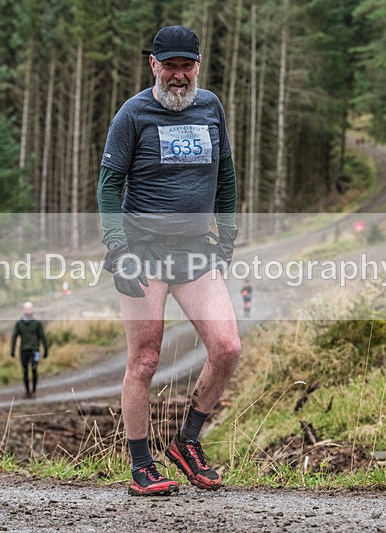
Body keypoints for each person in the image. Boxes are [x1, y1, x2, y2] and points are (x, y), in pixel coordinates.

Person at [98, 25, 241, 496]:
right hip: (142, 252)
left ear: (198, 66)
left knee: (227, 347)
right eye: (170, 66)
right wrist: (118, 249)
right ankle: (142, 465)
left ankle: (187, 441)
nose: (179, 76)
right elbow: (108, 187)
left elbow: (225, 175)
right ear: (153, 65)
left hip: (195, 250)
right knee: (145, 359)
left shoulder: (211, 107)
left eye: (187, 66)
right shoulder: (133, 113)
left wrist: (227, 236)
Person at [10, 301, 48, 398]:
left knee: (34, 369)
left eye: (29, 309)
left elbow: (42, 337)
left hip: (35, 350)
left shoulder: (37, 323)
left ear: (32, 310)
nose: (28, 311)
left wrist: (45, 349)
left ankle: (34, 390)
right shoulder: (19, 324)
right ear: (24, 310)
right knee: (25, 371)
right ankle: (27, 391)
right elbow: (14, 337)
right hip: (23, 350)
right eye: (26, 310)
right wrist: (12, 350)